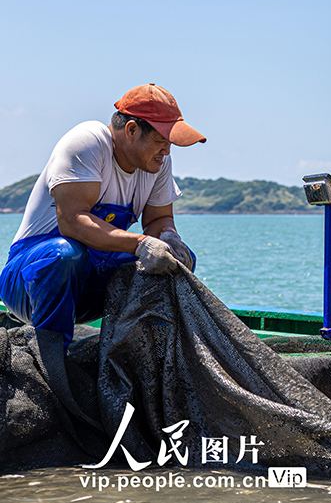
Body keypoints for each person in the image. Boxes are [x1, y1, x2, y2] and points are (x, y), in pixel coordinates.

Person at [0, 83, 205, 348]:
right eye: (160, 141)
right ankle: (50, 361)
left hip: (90, 287)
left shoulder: (157, 163)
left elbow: (157, 220)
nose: (166, 151)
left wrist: (168, 237)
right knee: (64, 254)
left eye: (169, 144)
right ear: (131, 130)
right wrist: (141, 244)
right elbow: (73, 222)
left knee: (175, 260)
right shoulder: (88, 142)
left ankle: (138, 355)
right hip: (30, 282)